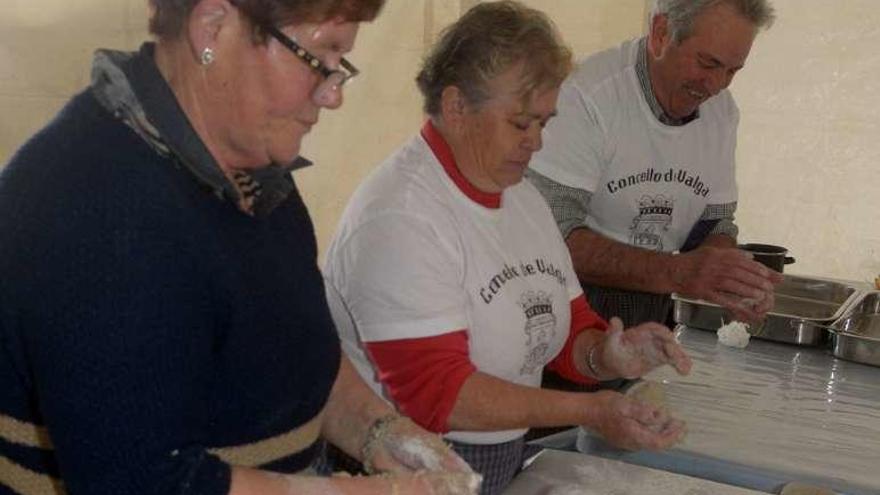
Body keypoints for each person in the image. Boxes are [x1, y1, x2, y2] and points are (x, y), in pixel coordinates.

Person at [0, 1, 481, 494]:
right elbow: (142, 483)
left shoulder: (250, 171)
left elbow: (297, 346)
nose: (333, 93)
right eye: (321, 56)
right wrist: (370, 493)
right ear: (212, 27)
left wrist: (377, 429)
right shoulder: (92, 207)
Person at [323, 2, 691, 494]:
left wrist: (609, 354)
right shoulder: (399, 217)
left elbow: (565, 332)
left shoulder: (523, 197)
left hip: (498, 456)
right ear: (456, 107)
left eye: (544, 121)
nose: (537, 142)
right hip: (399, 470)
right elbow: (440, 397)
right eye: (521, 123)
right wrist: (592, 409)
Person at [526, 0, 783, 329]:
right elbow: (551, 236)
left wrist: (731, 278)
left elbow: (713, 224)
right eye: (707, 63)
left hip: (654, 309)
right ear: (661, 34)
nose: (717, 85)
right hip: (564, 310)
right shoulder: (586, 97)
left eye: (732, 71)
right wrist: (679, 272)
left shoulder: (722, 112)